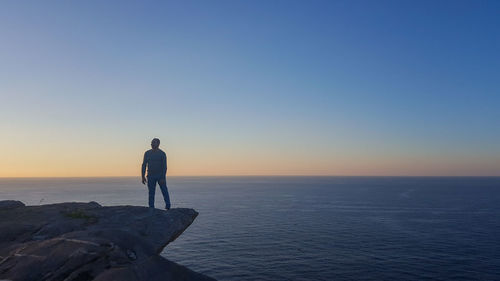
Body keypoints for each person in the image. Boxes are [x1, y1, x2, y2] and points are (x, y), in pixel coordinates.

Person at [141, 138, 171, 210]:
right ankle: (151, 208)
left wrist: (163, 177)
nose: (151, 144)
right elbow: (144, 164)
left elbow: (164, 166)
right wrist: (142, 176)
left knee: (164, 190)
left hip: (160, 176)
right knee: (151, 192)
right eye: (151, 143)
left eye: (153, 143)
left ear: (158, 144)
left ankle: (168, 206)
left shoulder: (162, 154)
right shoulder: (147, 153)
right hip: (150, 175)